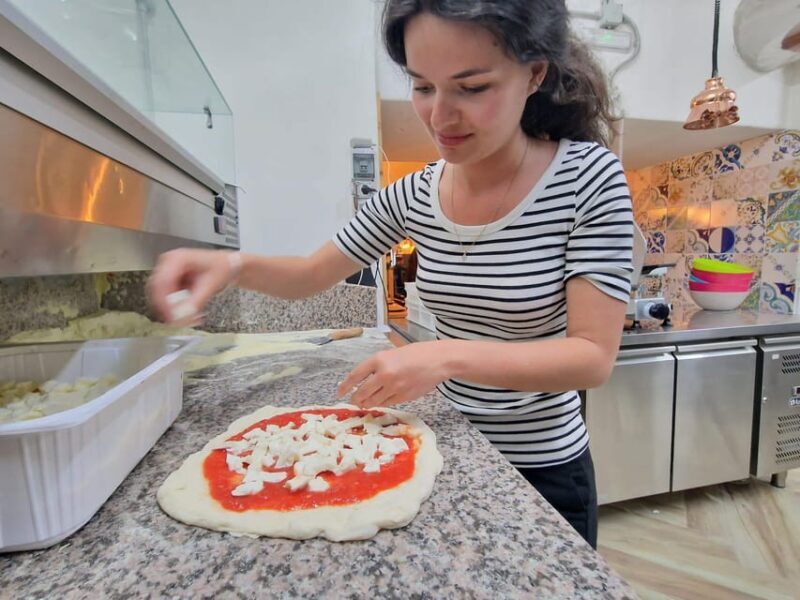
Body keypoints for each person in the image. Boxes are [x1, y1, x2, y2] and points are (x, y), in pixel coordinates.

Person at [147, 0, 633, 549]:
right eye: (423, 86)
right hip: (448, 449)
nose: (441, 117)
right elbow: (312, 272)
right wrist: (229, 264)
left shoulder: (587, 178)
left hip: (544, 468)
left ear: (534, 74)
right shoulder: (414, 194)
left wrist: (445, 355)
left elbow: (592, 356)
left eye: (472, 88)